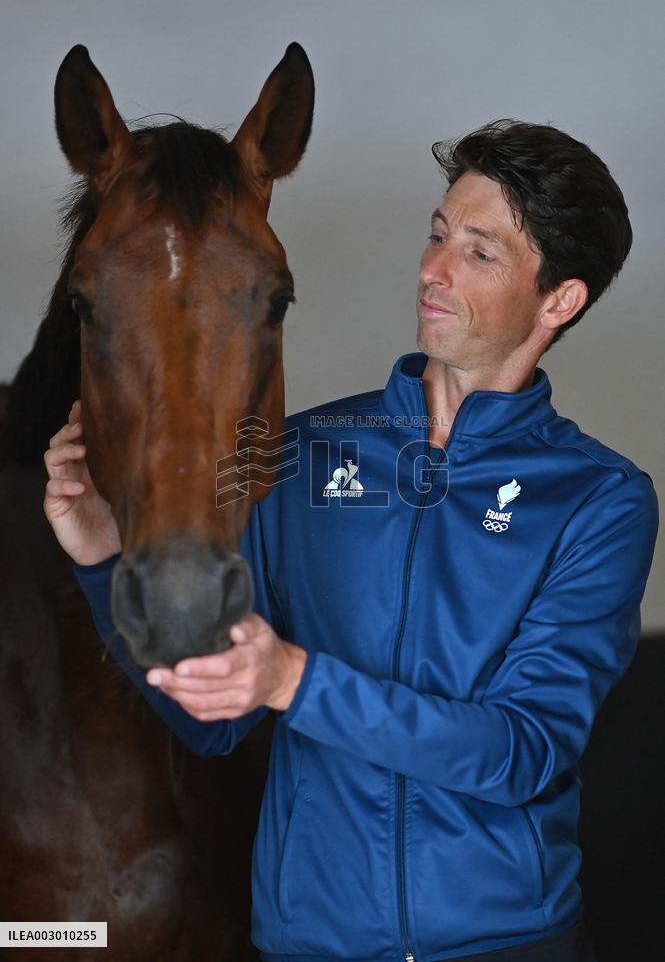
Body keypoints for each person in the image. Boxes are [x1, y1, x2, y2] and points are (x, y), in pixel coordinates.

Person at [44, 119, 658, 962]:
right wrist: (101, 560)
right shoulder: (290, 456)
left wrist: (293, 680)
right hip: (309, 945)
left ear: (558, 301)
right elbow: (214, 720)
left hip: (507, 944)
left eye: (479, 253)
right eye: (438, 234)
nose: (433, 270)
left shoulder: (598, 499)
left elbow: (522, 751)